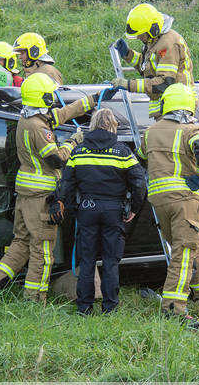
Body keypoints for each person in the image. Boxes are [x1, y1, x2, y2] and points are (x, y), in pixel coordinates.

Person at [0, 73, 118, 301]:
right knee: (43, 252)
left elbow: (65, 112)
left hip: (25, 196)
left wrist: (97, 97)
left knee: (21, 242)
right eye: (50, 95)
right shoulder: (39, 128)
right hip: (40, 198)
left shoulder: (28, 119)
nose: (53, 98)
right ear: (43, 97)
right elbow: (56, 160)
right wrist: (73, 142)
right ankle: (34, 298)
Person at [135, 83, 199, 330]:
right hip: (184, 198)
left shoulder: (150, 131)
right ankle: (173, 309)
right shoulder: (191, 129)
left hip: (159, 200)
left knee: (193, 250)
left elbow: (141, 158)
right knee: (183, 255)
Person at [61, 109, 146, 315]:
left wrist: (74, 210)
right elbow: (139, 182)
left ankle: (84, 308)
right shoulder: (123, 151)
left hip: (87, 210)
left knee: (87, 261)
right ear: (112, 125)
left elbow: (66, 186)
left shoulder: (78, 151)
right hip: (113, 210)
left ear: (92, 125)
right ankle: (109, 308)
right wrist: (134, 208)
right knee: (110, 261)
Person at [112, 3, 194, 119]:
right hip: (167, 108)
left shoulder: (167, 45)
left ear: (153, 29)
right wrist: (127, 54)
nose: (139, 38)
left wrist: (129, 84)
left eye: (141, 35)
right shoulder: (154, 41)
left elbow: (165, 83)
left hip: (177, 108)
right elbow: (147, 66)